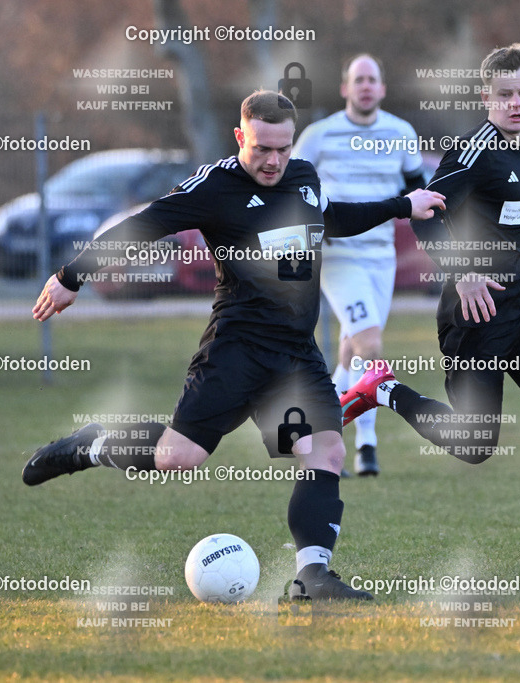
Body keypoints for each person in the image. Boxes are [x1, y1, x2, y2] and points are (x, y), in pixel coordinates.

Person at [22, 90, 445, 601]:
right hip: (236, 348)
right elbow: (141, 226)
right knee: (178, 458)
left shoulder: (304, 176)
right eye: (262, 148)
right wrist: (71, 276)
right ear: (240, 136)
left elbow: (331, 219)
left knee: (326, 451)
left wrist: (404, 205)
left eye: (282, 149)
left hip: (295, 351)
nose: (273, 161)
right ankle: (88, 446)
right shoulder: (214, 186)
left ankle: (311, 576)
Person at [338, 43, 520, 568]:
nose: (515, 103)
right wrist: (462, 271)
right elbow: (424, 214)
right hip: (475, 315)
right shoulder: (472, 151)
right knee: (474, 444)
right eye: (504, 95)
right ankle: (384, 389)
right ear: (486, 98)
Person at [292, 53, 426, 476]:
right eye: (358, 79)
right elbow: (290, 184)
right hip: (338, 256)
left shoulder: (401, 133)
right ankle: (367, 444)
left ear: (382, 88)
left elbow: (418, 192)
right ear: (345, 88)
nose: (366, 86)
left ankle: (316, 438)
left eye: (372, 79)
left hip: (381, 257)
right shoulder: (319, 135)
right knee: (370, 344)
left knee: (353, 353)